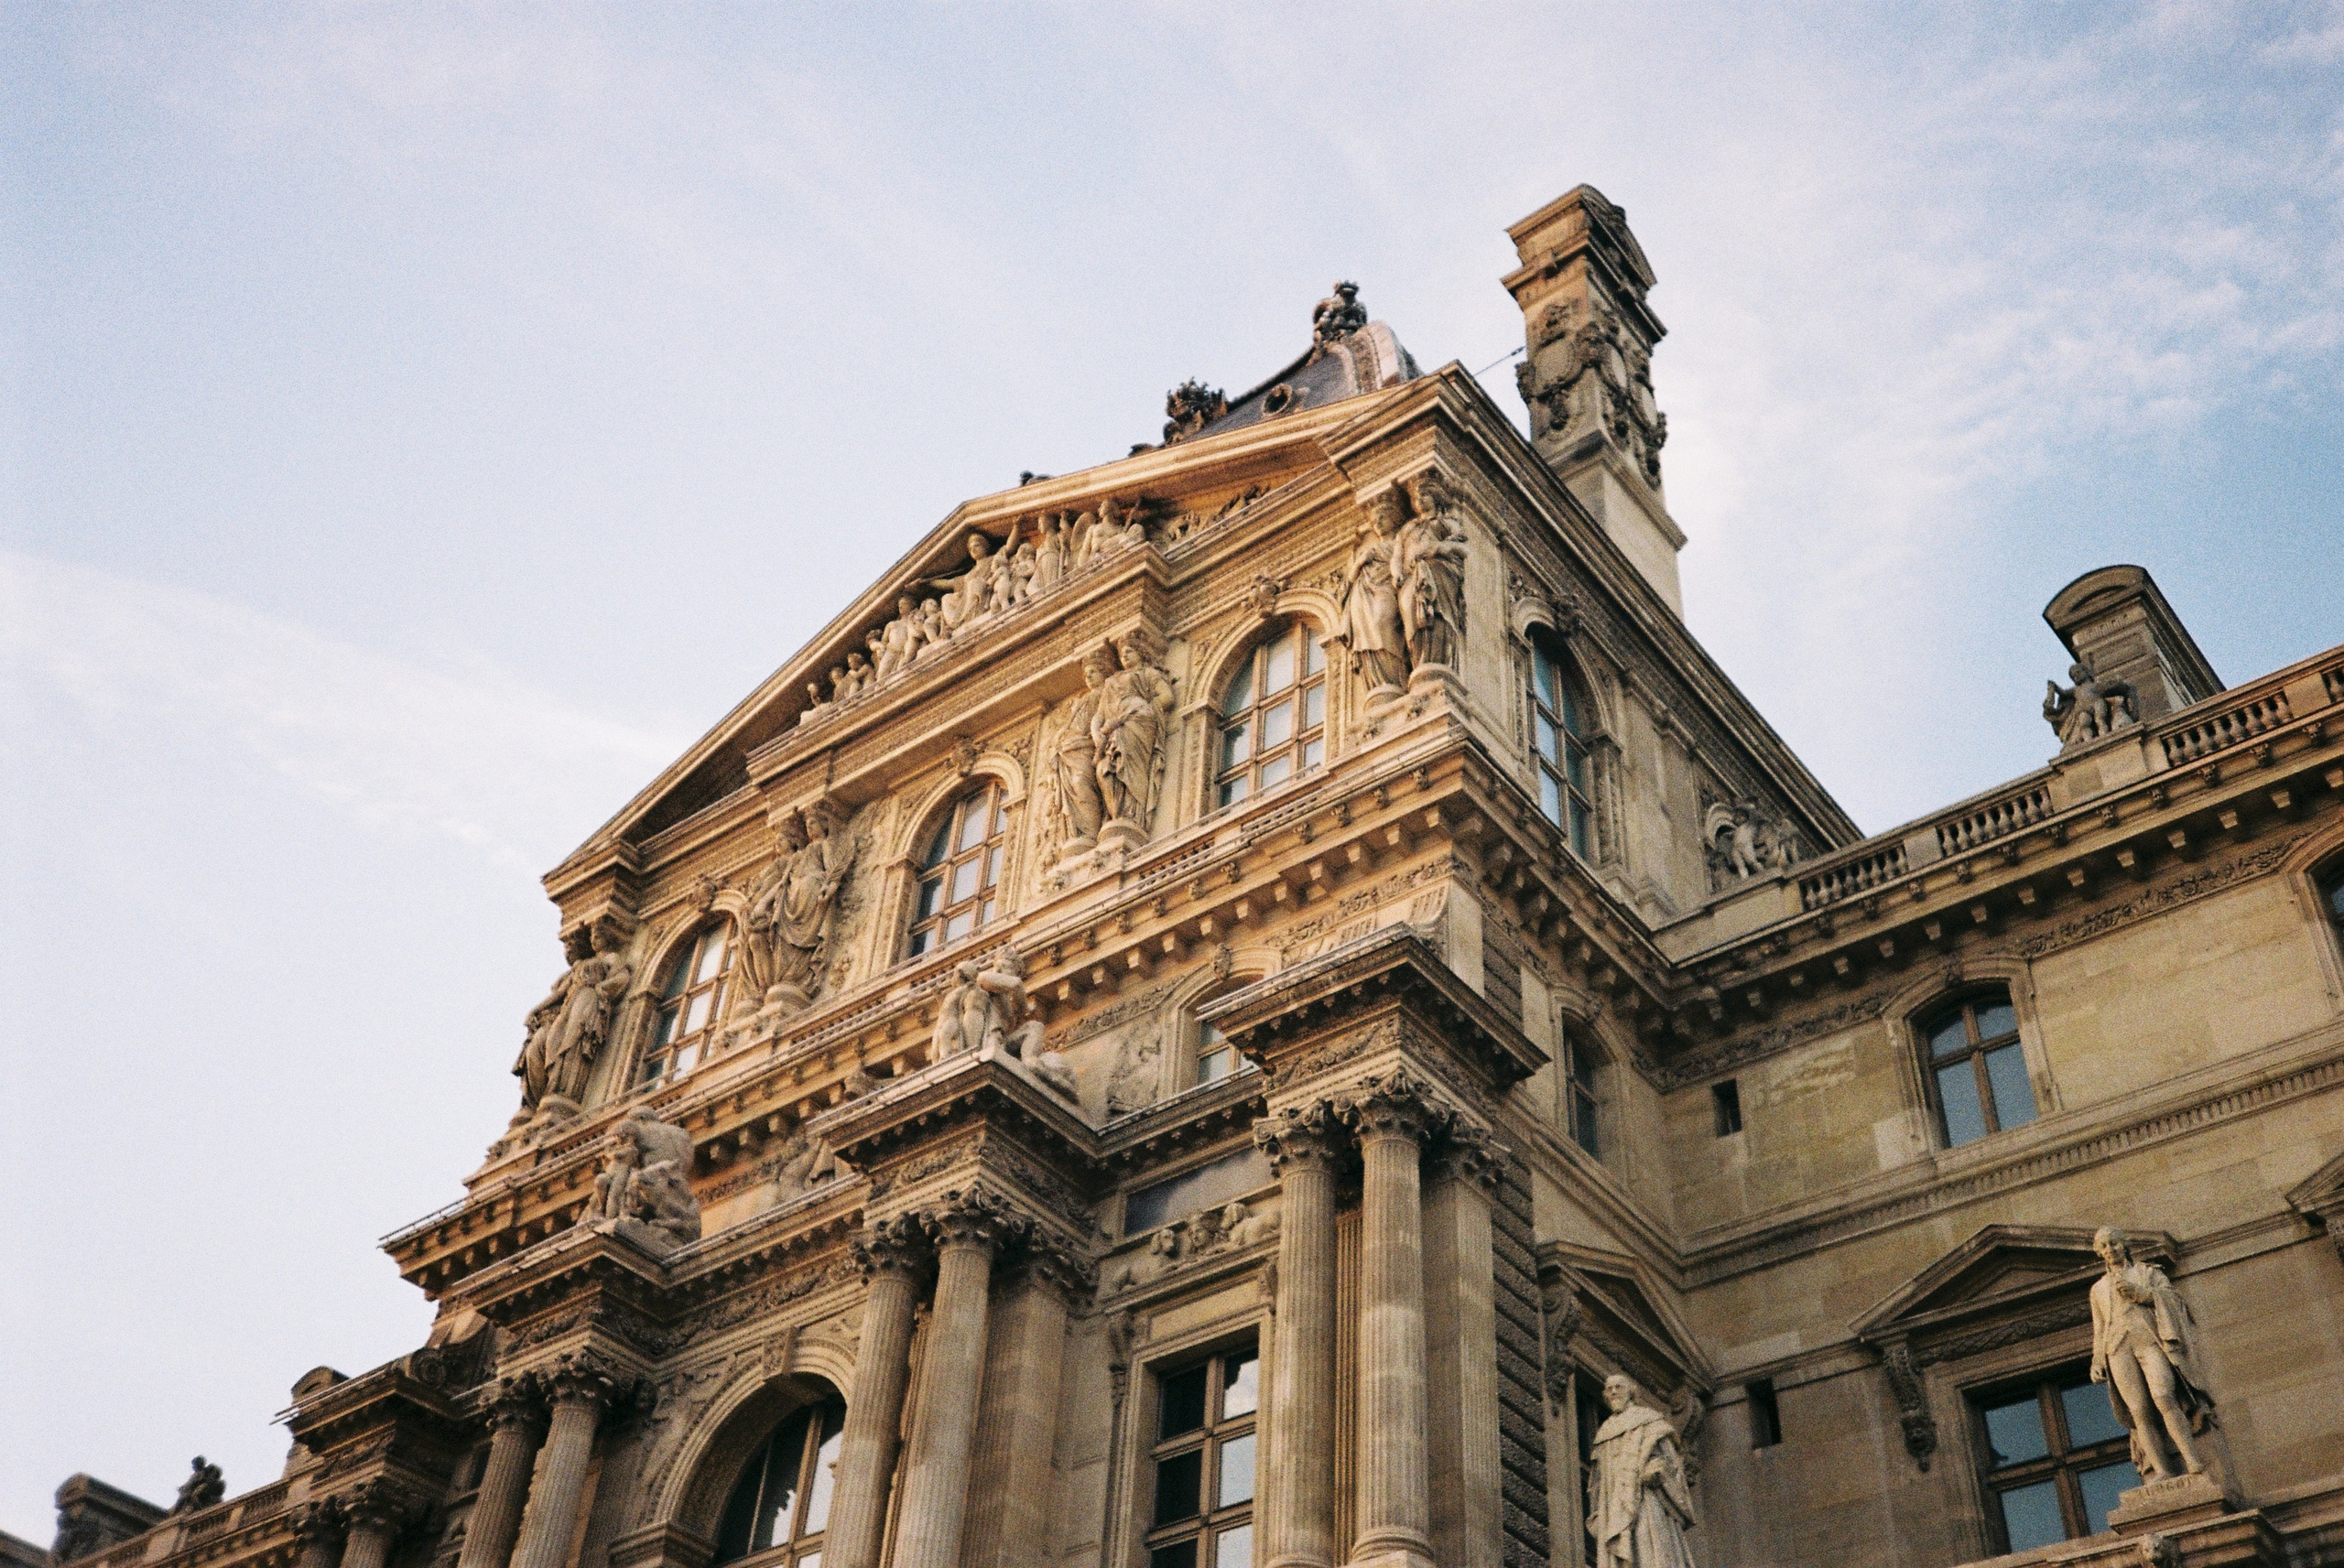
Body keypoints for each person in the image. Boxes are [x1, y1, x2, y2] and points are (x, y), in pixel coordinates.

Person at [2090, 1226, 2216, 1479]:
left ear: (2124, 1245)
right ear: (2099, 1253)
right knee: (2139, 1411)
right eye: (2104, 1246)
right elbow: (2100, 1327)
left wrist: (2144, 1295)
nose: (2110, 1250)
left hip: (2148, 1341)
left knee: (2164, 1396)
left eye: (2114, 1243)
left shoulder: (2146, 1273)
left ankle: (2192, 1459)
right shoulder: (2098, 1289)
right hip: (2117, 1348)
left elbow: (2173, 1299)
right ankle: (2162, 1470)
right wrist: (2097, 1359)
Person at [1586, 1374, 1698, 1568]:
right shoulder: (1604, 1432)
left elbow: (1672, 1464)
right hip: (1613, 1503)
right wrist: (1597, 1512)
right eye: (1609, 1389)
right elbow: (1597, 1481)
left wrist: (1657, 1471)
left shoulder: (1650, 1421)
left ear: (1630, 1392)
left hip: (1646, 1499)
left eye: (1618, 1387)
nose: (1613, 1392)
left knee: (1648, 1547)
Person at [1334, 491, 1409, 694]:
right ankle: (1383, 684)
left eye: (1382, 518)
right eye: (1375, 520)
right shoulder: (1368, 552)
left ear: (1394, 519)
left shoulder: (1401, 543)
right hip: (1365, 596)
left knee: (1383, 622)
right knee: (1370, 629)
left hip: (1387, 589)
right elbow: (1346, 586)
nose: (1378, 523)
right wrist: (1358, 563)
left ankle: (1395, 679)